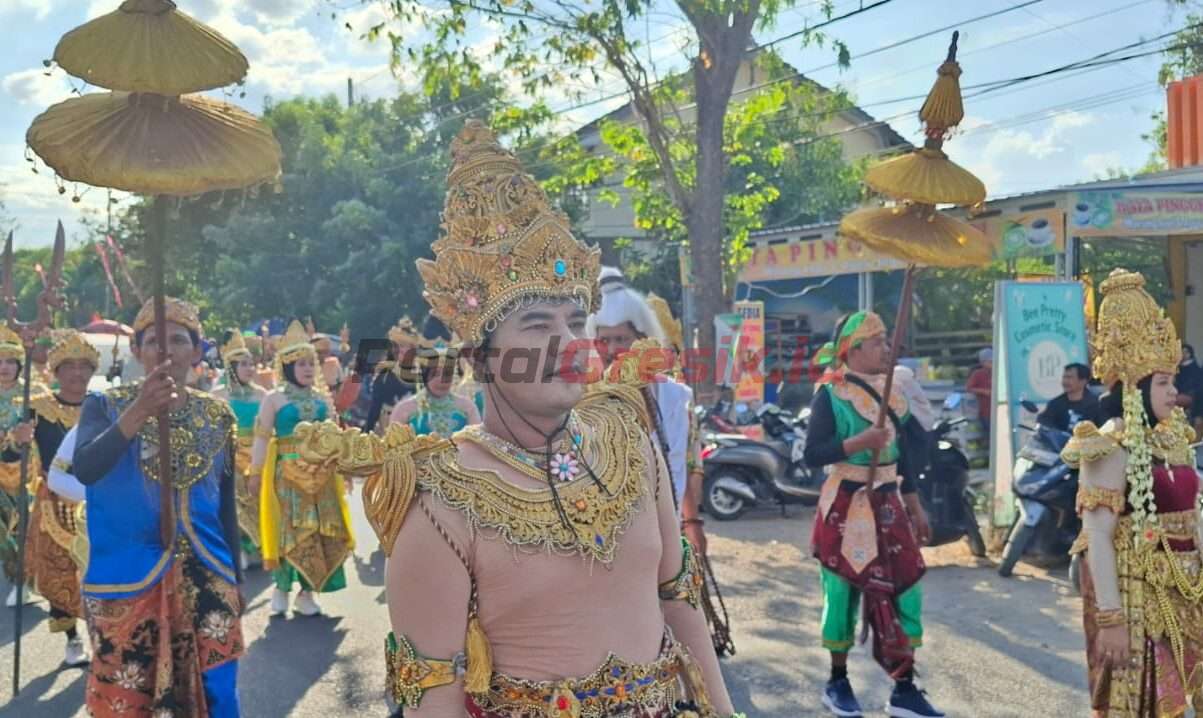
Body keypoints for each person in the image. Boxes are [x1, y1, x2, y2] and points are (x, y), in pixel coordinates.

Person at [295, 121, 738, 717]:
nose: (567, 342)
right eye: (536, 325)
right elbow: (434, 695)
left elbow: (677, 594)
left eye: (573, 322)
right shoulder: (439, 496)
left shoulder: (628, 437)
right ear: (481, 356)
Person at [73, 297, 244, 717]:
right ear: (137, 351)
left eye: (179, 340)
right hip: (132, 576)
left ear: (198, 351)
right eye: (153, 341)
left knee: (218, 686)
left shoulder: (218, 416)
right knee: (131, 691)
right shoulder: (105, 405)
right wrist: (142, 410)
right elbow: (87, 468)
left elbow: (225, 508)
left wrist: (237, 578)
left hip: (208, 573)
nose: (166, 349)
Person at [1061, 269, 1203, 717]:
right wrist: (1112, 620)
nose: (1173, 392)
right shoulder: (1108, 446)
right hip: (1139, 599)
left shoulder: (1173, 440)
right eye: (1162, 383)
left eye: (1172, 381)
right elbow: (1097, 538)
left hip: (1188, 593)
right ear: (1133, 388)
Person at [803, 311, 942, 718]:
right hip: (845, 501)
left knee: (907, 584)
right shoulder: (830, 393)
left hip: (887, 499)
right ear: (855, 349)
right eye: (878, 342)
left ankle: (904, 686)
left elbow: (905, 457)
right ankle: (838, 681)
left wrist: (914, 503)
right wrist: (858, 441)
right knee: (841, 591)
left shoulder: (893, 392)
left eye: (886, 340)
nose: (887, 348)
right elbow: (813, 453)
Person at [589, 266, 708, 554]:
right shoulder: (586, 398)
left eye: (621, 339)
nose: (613, 349)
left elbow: (682, 464)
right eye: (605, 340)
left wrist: (692, 523)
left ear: (642, 338)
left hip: (668, 533)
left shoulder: (674, 396)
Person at [6, 329, 98, 667]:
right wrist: (19, 440)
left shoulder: (103, 406)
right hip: (54, 501)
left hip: (99, 501)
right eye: (68, 366)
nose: (77, 372)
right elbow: (11, 457)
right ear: (56, 372)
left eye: (83, 366)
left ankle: (104, 635)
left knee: (99, 570)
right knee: (60, 571)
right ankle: (73, 639)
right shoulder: (37, 408)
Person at [249, 320, 352, 618]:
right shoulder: (274, 398)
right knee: (289, 533)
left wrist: (342, 471)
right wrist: (255, 474)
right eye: (301, 363)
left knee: (320, 534)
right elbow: (261, 437)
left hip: (322, 477)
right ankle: (281, 588)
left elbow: (335, 438)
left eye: (312, 363)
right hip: (287, 477)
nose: (308, 369)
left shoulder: (322, 399)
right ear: (287, 366)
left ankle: (307, 593)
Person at [211, 331, 267, 564]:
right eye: (243, 364)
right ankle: (240, 548)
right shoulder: (218, 394)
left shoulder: (262, 394)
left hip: (257, 454)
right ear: (231, 366)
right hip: (230, 454)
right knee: (235, 502)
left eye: (251, 364)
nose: (249, 368)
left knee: (258, 500)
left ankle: (259, 547)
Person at [387, 316, 479, 438]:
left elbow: (477, 446)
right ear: (424, 374)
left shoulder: (467, 408)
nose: (442, 380)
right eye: (435, 374)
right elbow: (394, 451)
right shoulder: (405, 409)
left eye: (447, 374)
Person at [0, 325, 31, 607]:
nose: (4, 367)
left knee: (23, 528)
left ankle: (27, 580)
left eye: (10, 361)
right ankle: (15, 578)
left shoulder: (33, 393)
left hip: (25, 474)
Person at [362, 317, 418, 434]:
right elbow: (375, 408)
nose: (399, 350)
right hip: (389, 430)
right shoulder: (385, 374)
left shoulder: (421, 374)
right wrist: (366, 434)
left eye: (403, 346)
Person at [1036, 363, 1103, 433]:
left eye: (1069, 377)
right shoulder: (1055, 403)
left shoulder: (1096, 404)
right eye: (1064, 377)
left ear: (1083, 381)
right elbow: (1044, 424)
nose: (1065, 381)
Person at [965, 347, 993, 439]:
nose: (992, 364)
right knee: (990, 435)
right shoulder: (977, 374)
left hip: (997, 411)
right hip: (985, 412)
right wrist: (984, 391)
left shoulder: (997, 372)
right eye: (990, 362)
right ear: (983, 363)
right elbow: (969, 388)